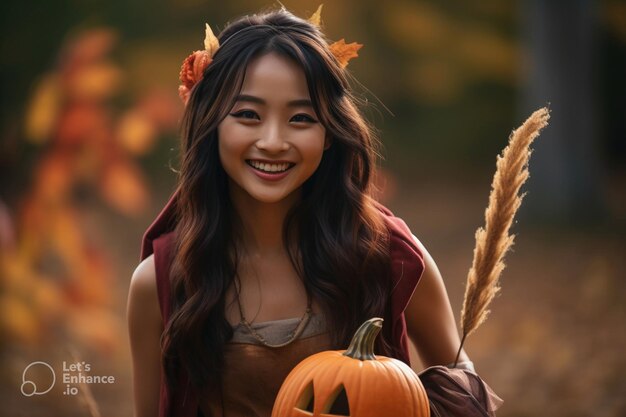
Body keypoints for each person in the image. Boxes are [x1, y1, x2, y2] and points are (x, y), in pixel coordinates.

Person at [127, 6, 501, 417]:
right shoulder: (161, 280)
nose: (272, 141)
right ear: (211, 125)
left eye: (301, 118)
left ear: (329, 134)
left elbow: (461, 388)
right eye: (248, 115)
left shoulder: (387, 257)